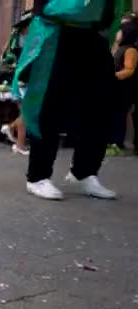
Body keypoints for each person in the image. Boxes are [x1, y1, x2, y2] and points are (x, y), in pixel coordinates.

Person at [13, 0, 117, 200]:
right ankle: (38, 175)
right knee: (50, 105)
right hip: (57, 32)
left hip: (91, 34)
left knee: (100, 105)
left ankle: (84, 171)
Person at [0, 10, 33, 156]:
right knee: (26, 113)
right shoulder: (25, 40)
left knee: (25, 113)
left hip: (17, 80)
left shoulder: (16, 39)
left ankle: (13, 132)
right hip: (21, 81)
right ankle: (19, 144)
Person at [108, 20, 138, 156]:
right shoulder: (120, 47)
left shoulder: (130, 50)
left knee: (120, 115)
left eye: (120, 30)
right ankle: (112, 141)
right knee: (115, 114)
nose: (117, 33)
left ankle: (117, 143)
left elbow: (129, 70)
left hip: (124, 89)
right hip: (116, 88)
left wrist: (113, 76)